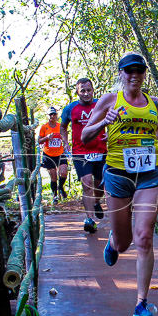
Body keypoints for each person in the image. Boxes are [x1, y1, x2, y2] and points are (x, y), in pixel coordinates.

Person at [81, 53, 158, 316]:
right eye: (129, 71)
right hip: (118, 174)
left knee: (145, 236)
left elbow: (155, 130)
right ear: (121, 73)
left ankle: (141, 304)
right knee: (125, 243)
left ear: (145, 73)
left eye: (139, 70)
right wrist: (104, 122)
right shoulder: (109, 100)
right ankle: (115, 240)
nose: (134, 75)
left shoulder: (154, 103)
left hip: (149, 174)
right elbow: (85, 136)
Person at [61, 78, 107, 233]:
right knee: (87, 183)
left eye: (89, 90)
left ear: (93, 90)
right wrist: (65, 142)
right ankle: (89, 219)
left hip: (101, 150)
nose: (86, 94)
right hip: (81, 152)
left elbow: (113, 120)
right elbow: (63, 127)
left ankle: (96, 202)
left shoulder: (101, 104)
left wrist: (111, 135)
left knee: (100, 183)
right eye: (83, 91)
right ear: (77, 92)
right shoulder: (70, 109)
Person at [38, 106, 68, 202]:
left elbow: (65, 137)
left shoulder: (60, 126)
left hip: (60, 153)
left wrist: (65, 142)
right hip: (48, 154)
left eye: (54, 114)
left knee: (63, 173)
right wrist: (47, 138)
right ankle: (55, 196)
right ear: (48, 116)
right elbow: (39, 141)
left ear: (56, 115)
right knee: (53, 176)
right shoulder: (44, 127)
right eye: (51, 114)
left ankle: (61, 187)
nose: (52, 116)